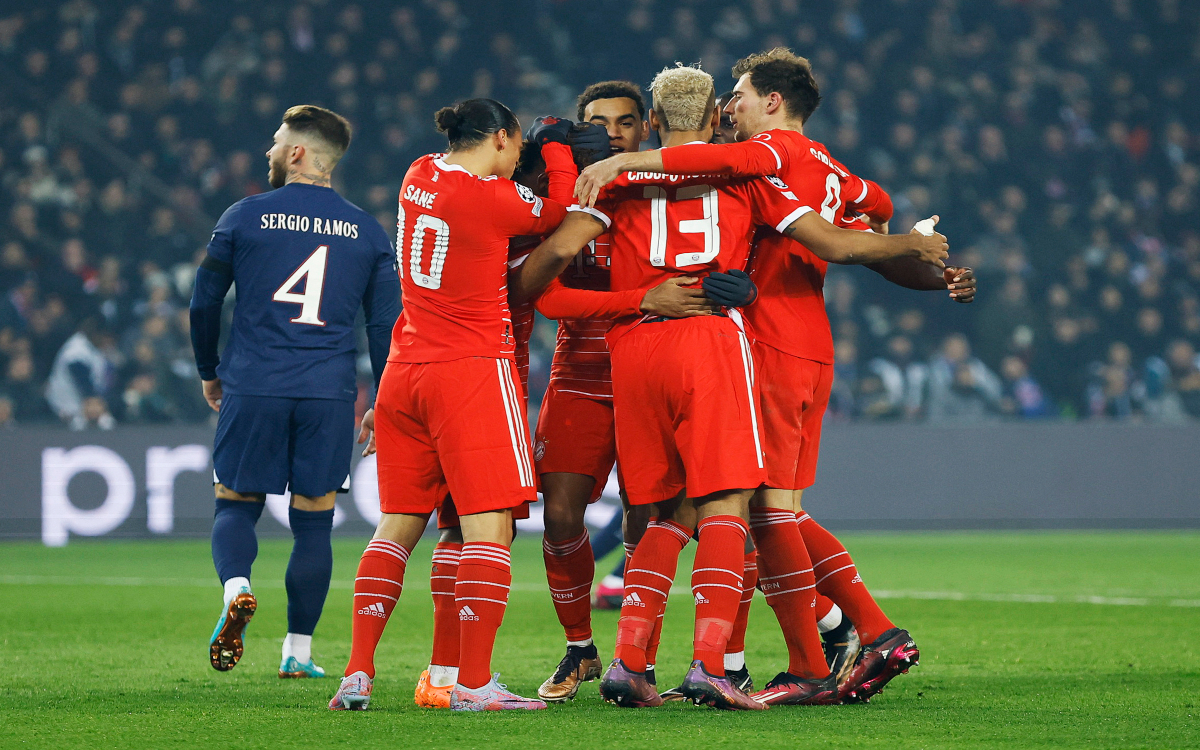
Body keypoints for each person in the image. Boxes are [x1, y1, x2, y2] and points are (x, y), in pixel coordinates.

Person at [576, 48, 973, 704]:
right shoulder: (833, 170)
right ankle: (792, 646)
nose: (731, 106)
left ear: (772, 102)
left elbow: (722, 168)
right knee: (750, 508)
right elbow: (869, 232)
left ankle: (846, 636)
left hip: (758, 345)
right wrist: (928, 270)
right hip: (804, 344)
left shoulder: (766, 156)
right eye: (724, 98)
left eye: (740, 93)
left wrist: (623, 159)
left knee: (755, 507)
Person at [328, 98, 583, 712]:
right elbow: (559, 211)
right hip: (469, 372)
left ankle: (357, 675)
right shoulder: (492, 201)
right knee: (489, 526)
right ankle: (472, 684)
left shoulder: (418, 174)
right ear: (499, 137)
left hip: (404, 371)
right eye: (516, 145)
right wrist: (557, 150)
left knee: (397, 526)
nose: (518, 156)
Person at [189, 105, 399, 679]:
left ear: (298, 154)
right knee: (314, 520)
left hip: (254, 382)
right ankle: (298, 653)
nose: (269, 151)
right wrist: (382, 398)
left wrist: (210, 368)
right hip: (328, 391)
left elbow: (205, 301)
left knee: (235, 502)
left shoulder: (244, 215)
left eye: (277, 143)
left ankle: (236, 588)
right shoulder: (367, 230)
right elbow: (385, 326)